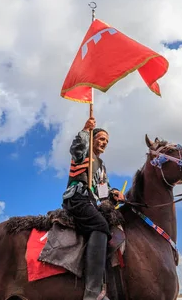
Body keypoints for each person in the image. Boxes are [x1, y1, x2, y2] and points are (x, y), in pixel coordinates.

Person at [62, 117, 125, 300]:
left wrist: (114, 194)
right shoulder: (84, 153)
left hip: (93, 203)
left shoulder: (102, 167)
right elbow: (76, 148)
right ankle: (92, 293)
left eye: (106, 140)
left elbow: (103, 193)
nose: (104, 142)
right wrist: (84, 130)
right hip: (78, 198)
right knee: (100, 226)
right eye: (101, 138)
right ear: (93, 138)